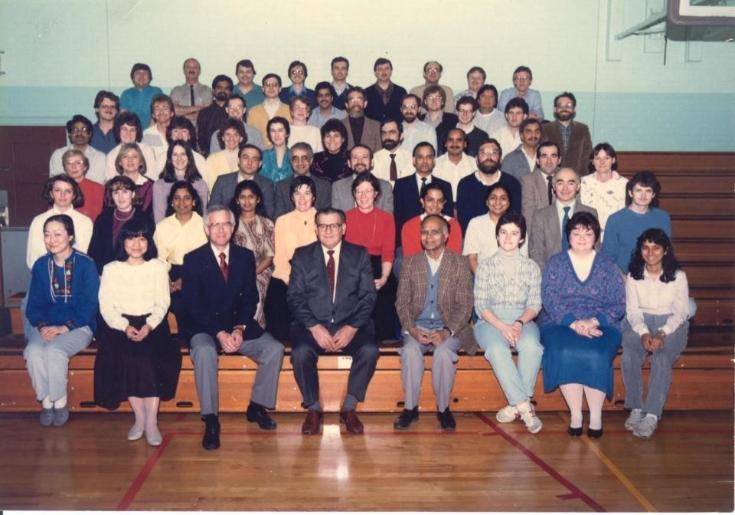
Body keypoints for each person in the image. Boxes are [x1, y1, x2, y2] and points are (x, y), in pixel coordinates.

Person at [182, 206, 285, 449]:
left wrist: (239, 329)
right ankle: (211, 419)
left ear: (233, 227)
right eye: (215, 225)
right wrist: (219, 333)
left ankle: (257, 407)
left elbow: (251, 297)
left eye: (225, 224)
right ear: (207, 229)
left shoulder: (244, 256)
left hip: (238, 326)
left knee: (274, 349)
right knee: (205, 352)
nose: (220, 229)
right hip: (206, 329)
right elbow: (192, 305)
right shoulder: (193, 259)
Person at [287, 207, 378, 435]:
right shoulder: (302, 255)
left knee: (369, 350)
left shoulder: (359, 254)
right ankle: (314, 409)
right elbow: (294, 297)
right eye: (323, 226)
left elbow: (368, 296)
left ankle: (349, 408)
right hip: (313, 325)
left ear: (343, 228)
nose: (328, 230)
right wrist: (314, 327)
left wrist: (352, 327)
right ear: (316, 230)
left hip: (350, 323)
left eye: (334, 225)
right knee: (299, 353)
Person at [95, 219, 181, 447]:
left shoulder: (157, 267)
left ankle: (152, 422)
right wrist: (124, 326)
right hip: (120, 325)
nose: (136, 244)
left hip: (153, 324)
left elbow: (163, 302)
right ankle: (139, 419)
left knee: (149, 359)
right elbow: (106, 305)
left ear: (148, 242)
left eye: (142, 238)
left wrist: (149, 325)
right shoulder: (111, 269)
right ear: (122, 241)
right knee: (128, 358)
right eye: (131, 238)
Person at [539, 212, 625, 438]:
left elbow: (618, 303)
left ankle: (596, 415)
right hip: (560, 322)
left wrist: (593, 321)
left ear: (596, 236)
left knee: (596, 353)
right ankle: (576, 414)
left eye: (588, 233)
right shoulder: (556, 263)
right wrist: (574, 323)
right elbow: (549, 299)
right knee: (564, 350)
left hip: (603, 323)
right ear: (568, 236)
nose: (582, 237)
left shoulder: (608, 265)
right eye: (576, 232)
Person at [393, 215, 473, 431]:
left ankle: (443, 409)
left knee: (444, 354)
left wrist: (447, 331)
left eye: (435, 231)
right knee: (410, 352)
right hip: (416, 327)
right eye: (425, 232)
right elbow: (401, 303)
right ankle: (410, 409)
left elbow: (465, 305)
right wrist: (412, 329)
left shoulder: (459, 263)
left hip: (448, 328)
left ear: (446, 235)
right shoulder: (410, 263)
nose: (429, 236)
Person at [24, 214, 99, 427]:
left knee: (54, 351)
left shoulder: (86, 264)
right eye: (47, 235)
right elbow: (34, 305)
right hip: (45, 326)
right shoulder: (40, 265)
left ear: (71, 236)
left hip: (79, 325)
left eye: (58, 234)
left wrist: (64, 327)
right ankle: (47, 401)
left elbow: (90, 304)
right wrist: (43, 326)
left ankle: (60, 401)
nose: (51, 239)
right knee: (33, 352)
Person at [473, 213, 543, 433]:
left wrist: (519, 323)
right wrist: (503, 327)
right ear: (497, 235)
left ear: (522, 238)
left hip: (522, 320)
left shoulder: (532, 267)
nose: (508, 238)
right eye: (503, 232)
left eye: (514, 233)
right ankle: (525, 408)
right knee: (496, 348)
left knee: (532, 347)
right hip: (490, 322)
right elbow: (481, 306)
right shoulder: (485, 266)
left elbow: (535, 304)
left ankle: (514, 405)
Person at [621, 229, 689, 439]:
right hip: (639, 321)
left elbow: (681, 312)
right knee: (630, 354)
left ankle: (651, 414)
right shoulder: (634, 275)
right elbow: (632, 311)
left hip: (671, 324)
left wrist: (662, 333)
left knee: (661, 357)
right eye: (645, 247)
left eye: (656, 248)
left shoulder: (678, 276)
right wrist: (642, 333)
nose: (650, 253)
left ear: (665, 250)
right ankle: (636, 407)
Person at [344, 174, 398, 341]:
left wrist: (383, 277)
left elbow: (388, 252)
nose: (363, 196)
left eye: (368, 191)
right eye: (359, 191)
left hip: (377, 264)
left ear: (376, 194)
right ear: (353, 194)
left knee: (387, 292)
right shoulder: (345, 217)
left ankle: (384, 338)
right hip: (350, 265)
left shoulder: (387, 218)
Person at [265, 176, 318, 340]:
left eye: (307, 193)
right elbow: (279, 257)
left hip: (315, 275)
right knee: (277, 301)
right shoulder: (282, 221)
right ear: (291, 197)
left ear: (314, 197)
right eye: (297, 193)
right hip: (287, 274)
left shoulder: (322, 218)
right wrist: (292, 281)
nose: (302, 198)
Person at [153, 181, 207, 339]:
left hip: (200, 274)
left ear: (194, 201)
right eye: (177, 198)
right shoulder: (162, 226)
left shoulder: (205, 225)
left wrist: (185, 281)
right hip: (171, 273)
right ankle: (184, 343)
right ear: (171, 201)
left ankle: (196, 341)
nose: (182, 203)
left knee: (192, 299)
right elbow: (159, 259)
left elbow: (207, 259)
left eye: (187, 198)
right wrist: (168, 282)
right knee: (177, 303)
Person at [529, 167, 597, 273]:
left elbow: (595, 249)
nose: (565, 188)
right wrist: (549, 277)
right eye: (560, 183)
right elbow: (536, 253)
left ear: (578, 187)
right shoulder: (540, 216)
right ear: (554, 187)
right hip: (550, 276)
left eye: (570, 183)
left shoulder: (590, 213)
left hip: (583, 276)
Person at [602, 171, 672, 273]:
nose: (643, 195)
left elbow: (666, 251)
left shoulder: (662, 217)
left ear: (653, 195)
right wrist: (623, 279)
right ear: (630, 193)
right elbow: (608, 258)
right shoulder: (615, 219)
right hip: (623, 278)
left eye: (648, 191)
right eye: (639, 190)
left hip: (655, 278)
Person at [229, 180, 275, 329]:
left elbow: (269, 258)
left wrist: (250, 274)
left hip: (261, 272)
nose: (247, 201)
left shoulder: (267, 224)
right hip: (234, 272)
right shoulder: (230, 224)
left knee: (254, 288)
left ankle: (253, 330)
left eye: (251, 197)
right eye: (242, 197)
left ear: (258, 199)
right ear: (237, 200)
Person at [88, 176, 155, 274]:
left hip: (136, 271)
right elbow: (94, 251)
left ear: (133, 194)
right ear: (111, 196)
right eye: (116, 193)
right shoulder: (103, 218)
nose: (120, 197)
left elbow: (149, 252)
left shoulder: (145, 220)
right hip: (106, 271)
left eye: (125, 192)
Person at [27, 175, 93, 270]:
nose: (63, 195)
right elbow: (33, 257)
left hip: (76, 274)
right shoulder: (39, 221)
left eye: (68, 191)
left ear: (74, 195)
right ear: (51, 194)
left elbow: (84, 253)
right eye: (58, 190)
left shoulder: (84, 222)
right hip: (45, 273)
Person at [456, 139, 521, 232]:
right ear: (476, 159)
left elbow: (515, 219)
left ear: (500, 159)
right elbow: (464, 222)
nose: (489, 157)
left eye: (494, 153)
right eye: (483, 153)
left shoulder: (512, 183)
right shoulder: (465, 184)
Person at [393, 142, 453, 236]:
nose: (425, 161)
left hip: (437, 240)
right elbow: (398, 219)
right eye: (420, 157)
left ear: (434, 160)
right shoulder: (401, 185)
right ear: (414, 160)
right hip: (408, 238)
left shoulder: (445, 186)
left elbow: (448, 218)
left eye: (429, 157)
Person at [464, 183, 526, 273]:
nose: (498, 202)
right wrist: (483, 280)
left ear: (508, 203)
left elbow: (523, 258)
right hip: (483, 277)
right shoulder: (475, 223)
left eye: (503, 198)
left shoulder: (518, 224)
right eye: (493, 198)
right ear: (487, 202)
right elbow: (472, 258)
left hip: (514, 277)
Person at [209, 144, 275, 220]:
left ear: (260, 164)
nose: (249, 162)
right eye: (245, 158)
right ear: (238, 160)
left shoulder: (266, 185)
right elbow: (212, 210)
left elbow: (269, 214)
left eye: (254, 159)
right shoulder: (222, 181)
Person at [152, 140, 209, 223]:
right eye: (175, 155)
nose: (179, 158)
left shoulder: (200, 184)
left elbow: (202, 217)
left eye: (183, 154)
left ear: (189, 157)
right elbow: (159, 219)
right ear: (170, 158)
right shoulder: (159, 185)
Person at [580, 142, 628, 240]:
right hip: (588, 235)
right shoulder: (583, 183)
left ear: (613, 160)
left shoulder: (624, 184)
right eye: (598, 158)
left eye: (606, 158)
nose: (602, 162)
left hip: (617, 235)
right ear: (592, 161)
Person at [401, 183, 462, 258]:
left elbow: (454, 256)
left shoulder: (453, 224)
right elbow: (410, 259)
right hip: (417, 267)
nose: (435, 205)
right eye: (430, 200)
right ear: (422, 202)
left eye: (439, 201)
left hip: (448, 267)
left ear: (443, 204)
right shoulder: (409, 226)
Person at [274, 142, 331, 218]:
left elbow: (326, 217)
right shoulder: (281, 186)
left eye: (304, 158)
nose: (300, 163)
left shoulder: (324, 186)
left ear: (311, 160)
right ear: (291, 162)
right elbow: (279, 217)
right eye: (295, 159)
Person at [541, 92, 593, 176]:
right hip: (552, 178)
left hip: (578, 179)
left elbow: (587, 157)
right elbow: (541, 157)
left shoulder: (583, 129)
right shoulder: (545, 129)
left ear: (574, 109)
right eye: (560, 106)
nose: (564, 108)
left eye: (568, 106)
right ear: (555, 109)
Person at [332, 144, 394, 214]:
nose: (359, 161)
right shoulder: (338, 186)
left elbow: (388, 219)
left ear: (372, 162)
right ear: (349, 163)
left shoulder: (385, 187)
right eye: (355, 158)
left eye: (364, 157)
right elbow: (336, 219)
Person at [49, 115, 106, 184]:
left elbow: (99, 184)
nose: (79, 133)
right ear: (69, 134)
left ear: (90, 134)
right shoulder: (59, 155)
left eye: (84, 129)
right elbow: (55, 182)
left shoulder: (100, 157)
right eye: (75, 130)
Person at [105, 112, 158, 181]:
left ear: (137, 132)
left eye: (132, 130)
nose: (128, 133)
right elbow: (111, 182)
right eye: (124, 129)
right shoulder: (112, 155)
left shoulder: (146, 150)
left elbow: (151, 177)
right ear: (118, 131)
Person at [521, 141, 561, 228]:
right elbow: (529, 216)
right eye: (544, 156)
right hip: (539, 233)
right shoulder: (528, 181)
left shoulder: (568, 177)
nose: (549, 161)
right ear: (538, 160)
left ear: (559, 160)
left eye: (553, 156)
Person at [247, 73, 292, 148]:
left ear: (280, 89)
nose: (271, 88)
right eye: (267, 85)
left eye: (274, 85)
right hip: (259, 155)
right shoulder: (253, 112)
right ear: (263, 89)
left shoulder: (289, 110)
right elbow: (249, 137)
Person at [196, 74, 235, 155]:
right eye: (219, 87)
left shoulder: (235, 112)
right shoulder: (204, 113)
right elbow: (201, 137)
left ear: (231, 92)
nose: (222, 91)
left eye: (226, 88)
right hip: (209, 155)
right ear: (213, 90)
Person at [433, 128, 476, 199]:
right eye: (450, 140)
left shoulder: (474, 165)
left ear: (465, 144)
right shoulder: (435, 165)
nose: (454, 143)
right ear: (445, 144)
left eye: (459, 140)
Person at [61, 149, 103, 221]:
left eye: (78, 163)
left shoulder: (97, 188)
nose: (73, 166)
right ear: (65, 168)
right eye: (69, 163)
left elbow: (98, 217)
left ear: (85, 167)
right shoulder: (58, 188)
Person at [204, 118, 246, 189]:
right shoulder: (212, 160)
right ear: (222, 137)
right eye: (228, 134)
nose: (231, 138)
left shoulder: (247, 158)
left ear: (241, 138)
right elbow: (212, 187)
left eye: (236, 135)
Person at [113, 143, 154, 214]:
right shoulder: (111, 185)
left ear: (141, 162)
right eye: (125, 157)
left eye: (134, 157)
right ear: (120, 162)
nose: (130, 160)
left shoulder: (150, 186)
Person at [120, 63, 163, 129]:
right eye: (138, 73)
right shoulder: (126, 94)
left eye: (145, 73)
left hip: (153, 130)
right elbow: (124, 117)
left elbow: (159, 114)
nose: (141, 76)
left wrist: (148, 132)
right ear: (133, 78)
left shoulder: (156, 92)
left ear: (150, 78)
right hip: (132, 132)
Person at [170, 58, 212, 124]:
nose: (191, 69)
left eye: (195, 67)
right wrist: (200, 107)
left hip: (202, 129)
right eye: (188, 67)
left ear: (199, 71)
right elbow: (174, 111)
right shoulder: (176, 90)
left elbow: (207, 112)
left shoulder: (206, 90)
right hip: (181, 129)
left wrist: (182, 112)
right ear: (184, 71)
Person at [364, 58, 407, 123]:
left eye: (386, 69)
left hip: (396, 131)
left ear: (391, 71)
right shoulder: (366, 92)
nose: (383, 72)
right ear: (375, 73)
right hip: (373, 131)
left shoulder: (401, 92)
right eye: (380, 69)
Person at [371, 119, 413, 184]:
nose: (387, 137)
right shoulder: (374, 159)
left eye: (392, 132)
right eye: (384, 133)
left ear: (401, 136)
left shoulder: (410, 158)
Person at [341, 86, 381, 152]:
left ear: (365, 104)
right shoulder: (339, 125)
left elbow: (379, 153)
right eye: (352, 99)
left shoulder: (376, 126)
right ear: (346, 105)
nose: (356, 103)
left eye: (359, 99)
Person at [311, 119, 351, 183]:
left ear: (343, 139)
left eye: (336, 136)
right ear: (323, 139)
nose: (332, 140)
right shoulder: (315, 159)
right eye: (328, 136)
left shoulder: (351, 158)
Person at [142, 94, 175, 166]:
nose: (161, 112)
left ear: (172, 113)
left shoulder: (178, 132)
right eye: (157, 109)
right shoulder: (147, 134)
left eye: (165, 108)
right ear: (153, 114)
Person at [259, 117, 293, 183]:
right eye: (273, 131)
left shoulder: (294, 155)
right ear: (269, 134)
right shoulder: (262, 156)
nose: (277, 134)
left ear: (287, 133)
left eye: (280, 130)